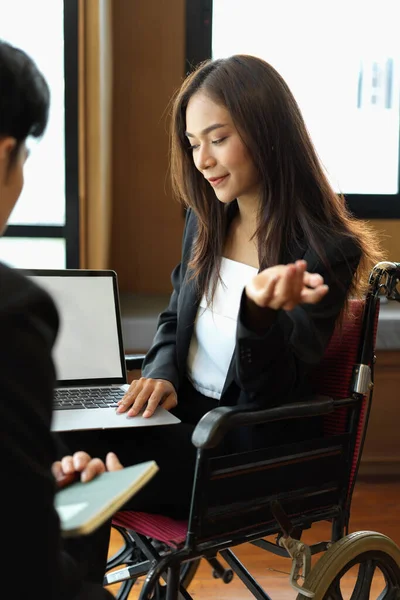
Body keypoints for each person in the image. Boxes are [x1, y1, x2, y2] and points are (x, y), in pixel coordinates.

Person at [57, 54, 383, 582]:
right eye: (192, 143)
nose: (202, 159)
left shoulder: (326, 249)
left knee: (89, 480)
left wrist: (255, 315)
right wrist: (161, 370)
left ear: (266, 132)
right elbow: (172, 318)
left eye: (217, 138)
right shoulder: (205, 222)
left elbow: (273, 390)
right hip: (189, 424)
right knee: (58, 443)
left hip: (248, 446)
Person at [0, 39, 126, 599]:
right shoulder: (13, 313)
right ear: (4, 155)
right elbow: (30, 575)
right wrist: (78, 531)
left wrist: (27, 485)